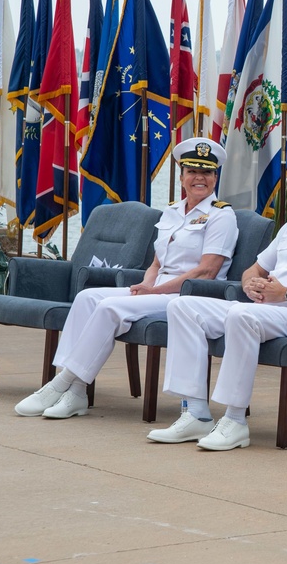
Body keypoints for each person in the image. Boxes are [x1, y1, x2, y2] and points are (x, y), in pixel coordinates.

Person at [147, 144, 287, 451]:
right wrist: (251, 283)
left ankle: (234, 420)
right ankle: (196, 413)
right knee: (183, 306)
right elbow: (253, 268)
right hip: (266, 307)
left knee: (242, 315)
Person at [14, 138, 239, 419]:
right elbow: (158, 262)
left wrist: (156, 291)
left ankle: (60, 384)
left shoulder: (221, 216)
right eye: (192, 171)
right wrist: (148, 283)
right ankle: (76, 393)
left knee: (110, 307)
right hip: (158, 288)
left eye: (206, 173)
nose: (199, 178)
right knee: (87, 298)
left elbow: (207, 270)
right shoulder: (172, 211)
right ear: (182, 177)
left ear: (215, 177)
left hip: (190, 295)